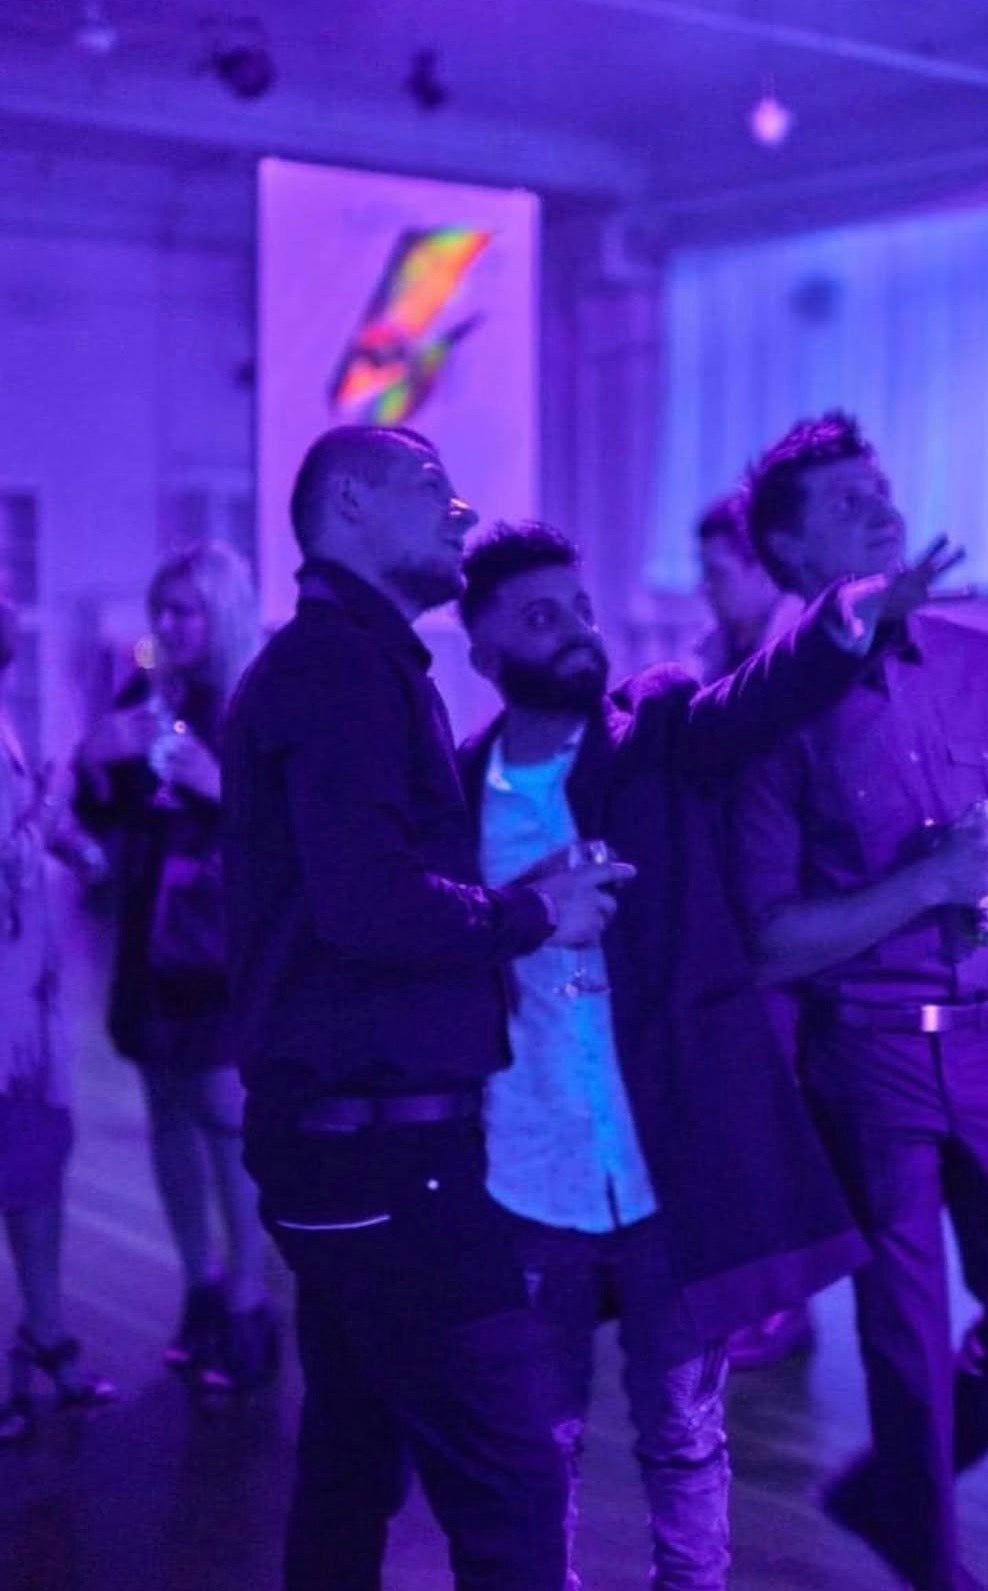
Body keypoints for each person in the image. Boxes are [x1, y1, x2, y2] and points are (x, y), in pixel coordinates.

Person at [454, 517, 968, 1588]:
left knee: (685, 1435)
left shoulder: (655, 728)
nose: (576, 631)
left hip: (668, 1169)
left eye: (580, 607)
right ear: (484, 649)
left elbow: (758, 698)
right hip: (526, 1171)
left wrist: (846, 620)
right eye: (541, 618)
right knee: (537, 1445)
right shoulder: (458, 792)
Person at [223, 426, 631, 1591]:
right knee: (513, 1488)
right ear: (350, 505)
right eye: (432, 488)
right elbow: (371, 906)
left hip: (344, 1152)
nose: (460, 512)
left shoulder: (340, 664)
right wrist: (533, 911)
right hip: (387, 1161)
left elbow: (358, 896)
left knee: (351, 1466)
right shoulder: (343, 670)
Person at [729, 411, 988, 1591]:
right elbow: (769, 941)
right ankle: (933, 1560)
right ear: (791, 554)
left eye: (878, 487)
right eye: (845, 501)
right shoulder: (769, 711)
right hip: (869, 1054)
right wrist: (924, 885)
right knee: (907, 1339)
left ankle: (890, 1493)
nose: (880, 507)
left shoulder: (986, 663)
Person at [73, 541, 275, 1393]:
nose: (166, 625)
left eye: (182, 610)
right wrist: (94, 760)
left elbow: (295, 827)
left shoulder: (257, 702)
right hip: (150, 940)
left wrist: (222, 786)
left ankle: (250, 1301)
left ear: (220, 613)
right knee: (167, 1115)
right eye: (160, 609)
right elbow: (102, 815)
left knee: (226, 1116)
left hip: (222, 944)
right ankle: (199, 1285)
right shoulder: (143, 695)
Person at [694, 492, 812, 1370]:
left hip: (780, 918)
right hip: (727, 915)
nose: (708, 590)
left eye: (717, 572)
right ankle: (766, 1297)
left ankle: (786, 1305)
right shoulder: (715, 653)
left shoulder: (791, 655)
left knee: (774, 1117)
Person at [1, 599, 116, 1443]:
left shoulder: (4, 725)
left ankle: (45, 1333)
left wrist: (64, 832)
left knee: (38, 1168)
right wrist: (45, 815)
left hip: (26, 1008)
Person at [693, 492, 802, 683]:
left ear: (763, 570)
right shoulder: (712, 651)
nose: (704, 588)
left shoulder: (803, 650)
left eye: (717, 574)